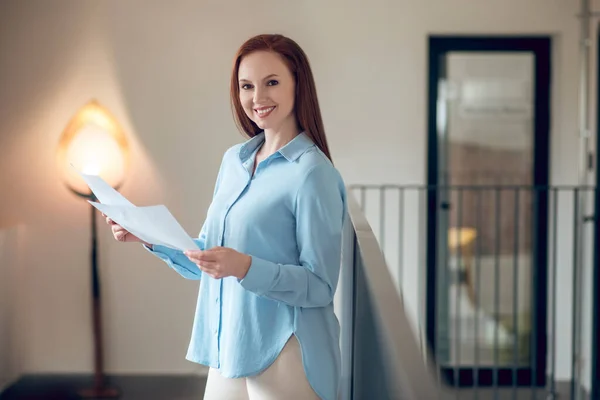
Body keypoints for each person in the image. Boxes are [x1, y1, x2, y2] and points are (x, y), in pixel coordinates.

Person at [103, 33, 347, 400]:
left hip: (287, 350)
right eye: (246, 86)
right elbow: (210, 256)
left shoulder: (313, 174)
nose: (257, 98)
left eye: (272, 83)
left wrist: (246, 267)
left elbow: (321, 285)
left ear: (299, 85)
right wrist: (148, 236)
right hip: (229, 344)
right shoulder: (234, 161)